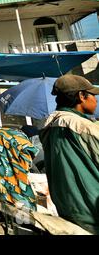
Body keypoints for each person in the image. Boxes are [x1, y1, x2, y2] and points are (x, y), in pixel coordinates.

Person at [39, 75, 99, 234]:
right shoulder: (83, 127)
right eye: (93, 95)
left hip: (68, 210)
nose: (96, 99)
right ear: (81, 96)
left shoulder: (49, 125)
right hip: (92, 212)